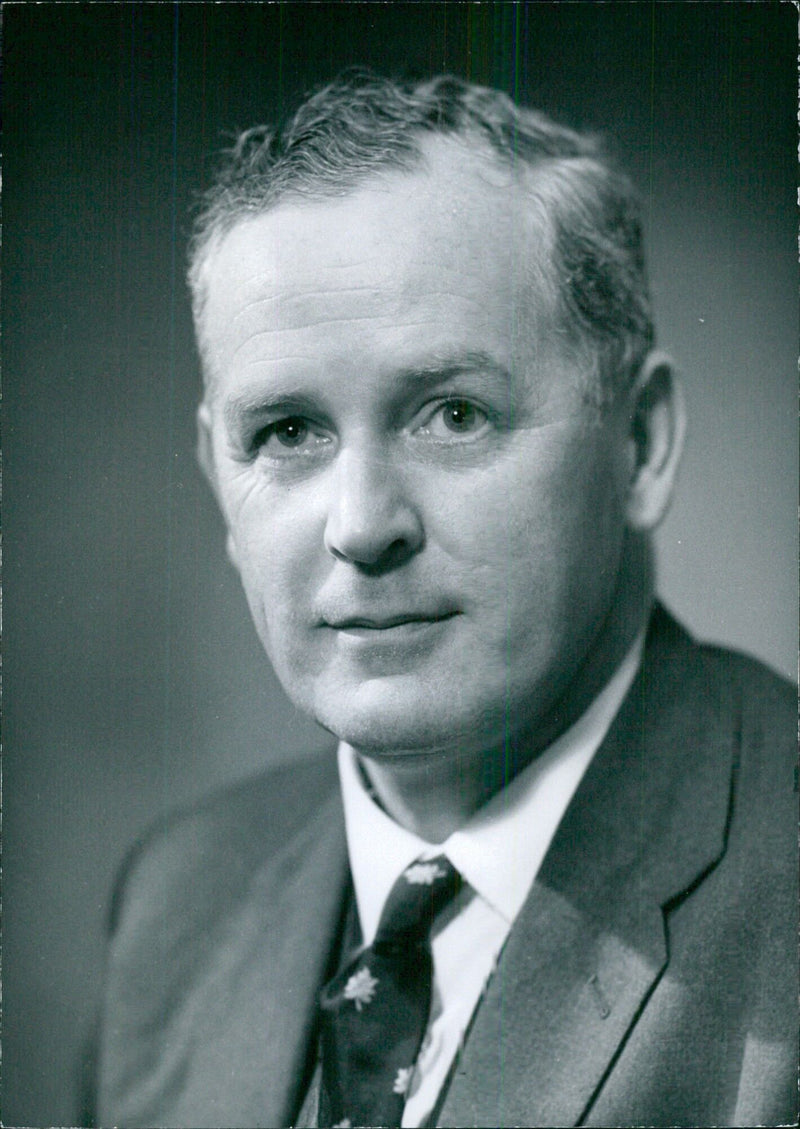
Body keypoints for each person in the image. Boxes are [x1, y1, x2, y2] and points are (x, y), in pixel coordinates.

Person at [94, 73, 796, 1128]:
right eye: (286, 432)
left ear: (638, 444)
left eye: (452, 414)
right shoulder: (175, 903)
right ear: (216, 476)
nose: (362, 523)